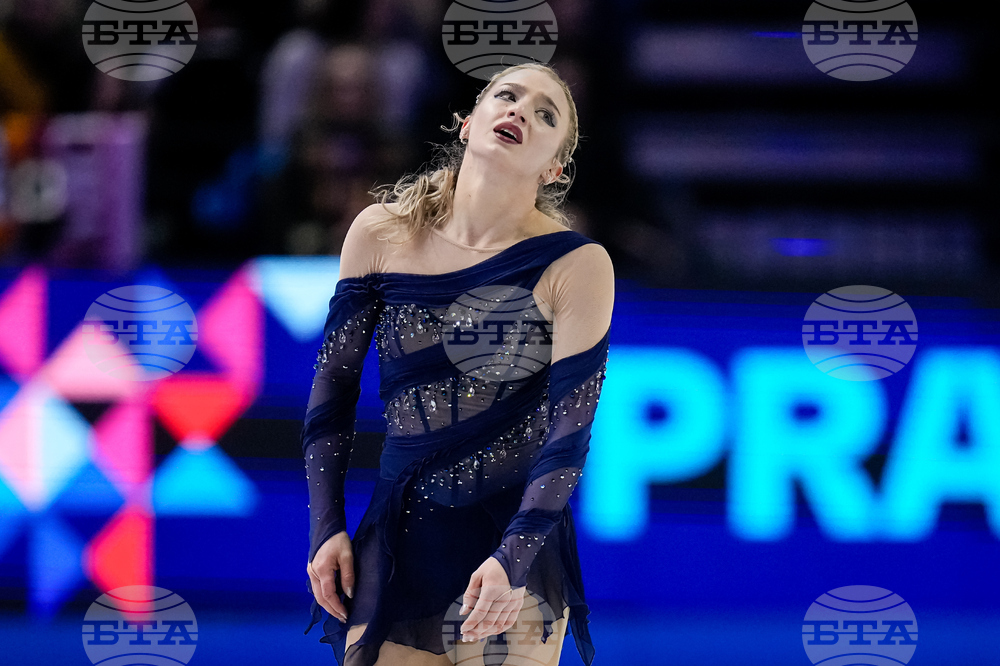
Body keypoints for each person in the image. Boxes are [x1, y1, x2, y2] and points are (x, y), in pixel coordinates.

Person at [302, 62, 615, 666]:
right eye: (508, 96)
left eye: (545, 114)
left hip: (513, 546)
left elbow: (569, 432)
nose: (521, 110)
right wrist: (326, 528)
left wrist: (514, 556)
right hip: (398, 544)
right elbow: (333, 390)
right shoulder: (379, 233)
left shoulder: (577, 265)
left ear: (554, 167)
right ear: (468, 123)